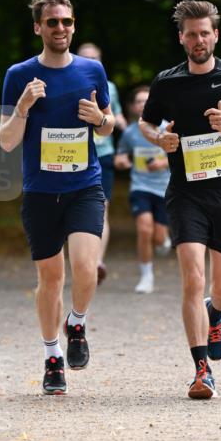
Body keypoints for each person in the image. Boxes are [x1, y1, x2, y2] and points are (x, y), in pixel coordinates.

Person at [139, 0, 221, 399]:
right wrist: (159, 138)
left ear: (215, 35)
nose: (198, 40)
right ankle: (202, 370)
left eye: (204, 33)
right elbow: (146, 123)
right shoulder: (168, 81)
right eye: (191, 34)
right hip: (186, 193)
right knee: (192, 279)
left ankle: (215, 314)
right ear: (181, 38)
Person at [0, 0, 113, 395]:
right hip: (41, 192)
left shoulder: (92, 70)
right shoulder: (19, 76)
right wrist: (23, 108)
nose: (60, 28)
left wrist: (100, 118)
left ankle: (77, 323)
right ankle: (52, 357)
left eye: (66, 22)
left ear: (74, 25)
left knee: (85, 267)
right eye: (52, 23)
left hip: (84, 185)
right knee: (50, 278)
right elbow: (7, 141)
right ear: (38, 28)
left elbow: (108, 125)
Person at [76, 43, 127, 284]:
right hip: (72, 153)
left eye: (95, 59)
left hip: (103, 153)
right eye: (86, 58)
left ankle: (96, 262)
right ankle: (83, 261)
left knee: (101, 209)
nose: (91, 63)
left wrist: (131, 133)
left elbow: (115, 116)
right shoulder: (68, 81)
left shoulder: (111, 88)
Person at [114, 86, 170, 294]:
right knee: (144, 229)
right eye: (139, 101)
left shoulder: (167, 128)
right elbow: (121, 155)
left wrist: (163, 163)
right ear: (133, 106)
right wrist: (121, 162)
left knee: (158, 237)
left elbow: (182, 157)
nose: (143, 105)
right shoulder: (129, 132)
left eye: (147, 101)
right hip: (140, 186)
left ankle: (163, 239)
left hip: (164, 188)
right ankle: (147, 276)